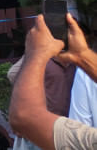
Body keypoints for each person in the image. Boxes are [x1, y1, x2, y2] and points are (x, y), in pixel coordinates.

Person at [9, 14, 97, 149]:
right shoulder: (44, 58)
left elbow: (24, 116)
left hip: (62, 123)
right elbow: (13, 74)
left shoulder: (77, 65)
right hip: (44, 123)